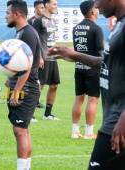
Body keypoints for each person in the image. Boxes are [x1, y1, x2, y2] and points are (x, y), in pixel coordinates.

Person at [49, 0, 125, 168]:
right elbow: (107, 62)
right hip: (113, 121)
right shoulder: (119, 25)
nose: (96, 6)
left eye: (98, 0)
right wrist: (74, 55)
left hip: (117, 124)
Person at [5, 0, 41, 169]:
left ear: (17, 14)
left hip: (26, 88)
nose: (6, 17)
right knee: (22, 130)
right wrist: (10, 78)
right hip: (20, 86)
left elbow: (26, 68)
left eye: (7, 13)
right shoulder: (21, 33)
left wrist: (16, 91)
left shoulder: (27, 33)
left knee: (20, 130)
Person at [71, 0, 104, 139]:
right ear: (92, 11)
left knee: (79, 99)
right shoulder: (96, 28)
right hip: (93, 70)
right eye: (96, 8)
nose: (98, 10)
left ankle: (74, 131)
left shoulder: (75, 28)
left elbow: (76, 50)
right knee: (93, 100)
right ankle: (89, 133)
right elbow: (100, 52)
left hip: (79, 68)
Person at [33, 0, 60, 120]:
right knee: (40, 85)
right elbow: (35, 40)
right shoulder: (39, 21)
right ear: (47, 5)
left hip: (53, 58)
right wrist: (38, 57)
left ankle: (47, 114)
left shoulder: (53, 21)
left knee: (54, 85)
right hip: (43, 58)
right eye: (54, 4)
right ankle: (30, 115)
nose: (56, 6)